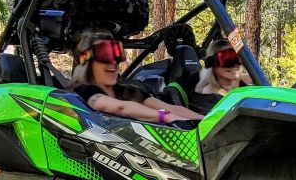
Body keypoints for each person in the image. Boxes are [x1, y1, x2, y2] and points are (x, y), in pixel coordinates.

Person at [70, 29, 203, 124]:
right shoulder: (84, 91)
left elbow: (169, 108)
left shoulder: (126, 90)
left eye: (116, 55)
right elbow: (121, 107)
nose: (113, 62)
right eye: (104, 56)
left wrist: (203, 120)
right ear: (86, 62)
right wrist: (165, 117)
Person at [191, 38, 249, 114]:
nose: (235, 65)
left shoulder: (248, 83)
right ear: (211, 63)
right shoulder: (205, 97)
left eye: (237, 58)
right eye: (227, 59)